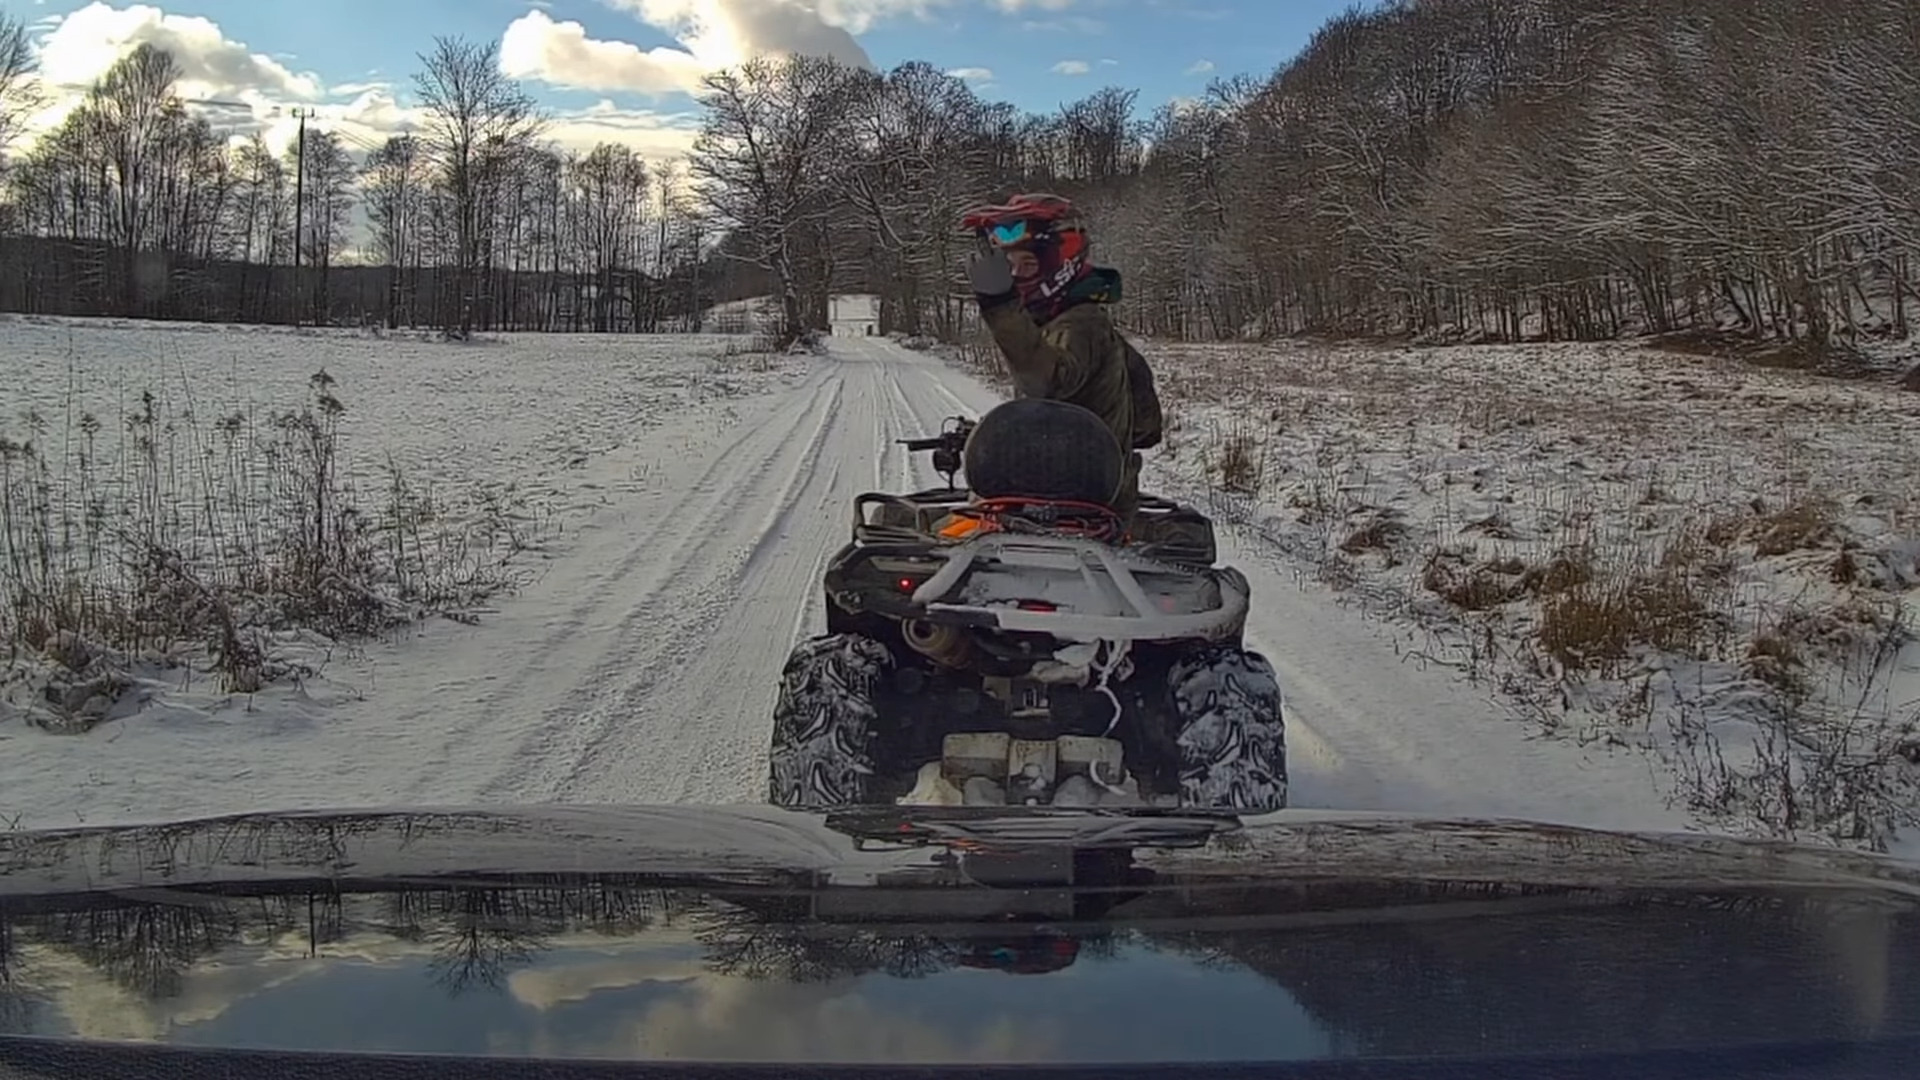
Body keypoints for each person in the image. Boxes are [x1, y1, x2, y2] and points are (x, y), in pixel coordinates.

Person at [959, 193, 1163, 527]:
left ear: (1061, 264)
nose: (1016, 275)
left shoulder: (1080, 323)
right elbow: (1146, 427)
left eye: (1027, 264)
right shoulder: (1080, 322)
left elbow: (1047, 384)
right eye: (1009, 267)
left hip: (1075, 510)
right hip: (1077, 500)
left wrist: (999, 306)